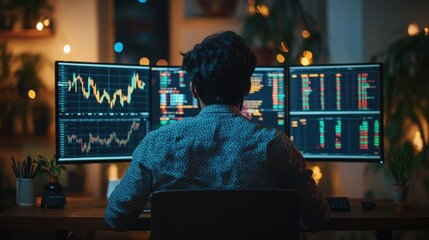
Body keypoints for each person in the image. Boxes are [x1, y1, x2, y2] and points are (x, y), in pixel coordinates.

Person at [105, 31, 330, 232]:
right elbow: (315, 218)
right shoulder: (277, 146)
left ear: (194, 89)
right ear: (247, 88)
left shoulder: (156, 144)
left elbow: (117, 218)